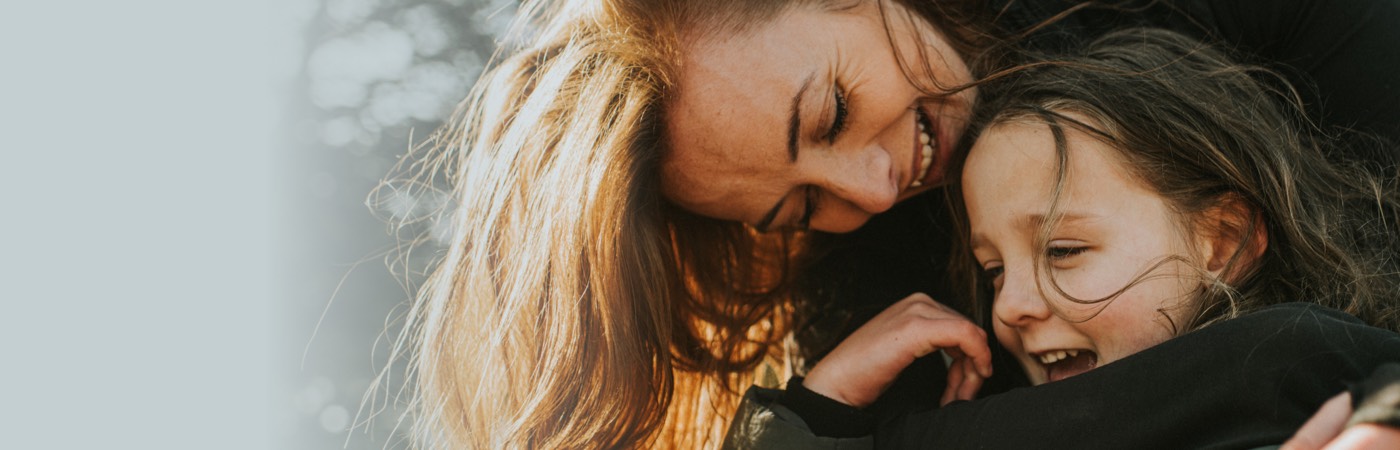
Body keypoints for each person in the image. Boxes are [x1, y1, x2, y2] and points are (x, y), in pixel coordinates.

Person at [377, 0, 1400, 447]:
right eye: (801, 206)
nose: (869, 191)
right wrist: (807, 423)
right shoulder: (867, 282)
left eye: (826, 112)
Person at [723, 28, 1400, 449]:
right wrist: (825, 403)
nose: (1010, 306)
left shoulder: (1301, 366)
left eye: (1064, 251)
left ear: (1220, 243)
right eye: (992, 271)